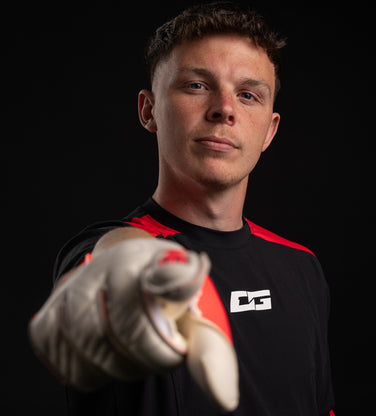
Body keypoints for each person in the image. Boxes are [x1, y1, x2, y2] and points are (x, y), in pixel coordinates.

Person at [29, 2, 336, 415]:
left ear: (269, 130)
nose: (225, 109)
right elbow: (111, 256)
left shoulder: (302, 268)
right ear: (149, 110)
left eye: (248, 95)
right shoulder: (105, 251)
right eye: (196, 85)